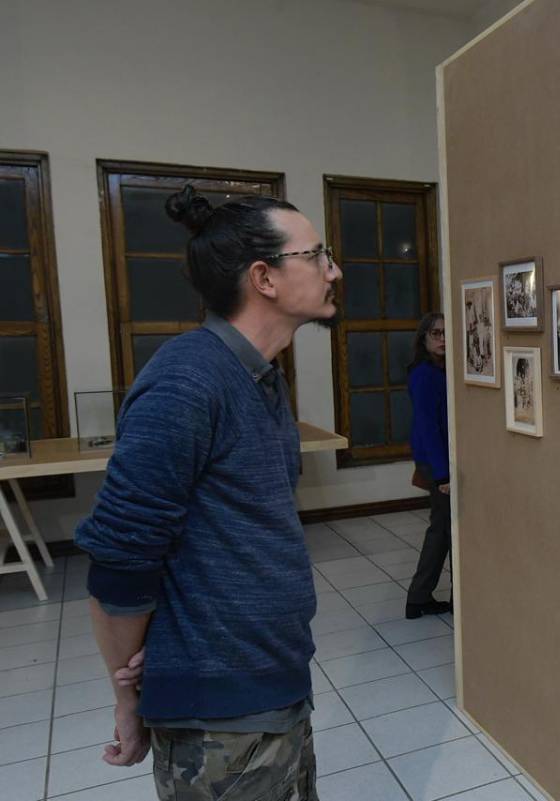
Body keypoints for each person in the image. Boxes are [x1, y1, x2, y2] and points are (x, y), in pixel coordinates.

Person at [74, 185, 342, 800]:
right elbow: (118, 561)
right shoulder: (187, 382)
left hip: (274, 686)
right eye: (317, 255)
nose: (334, 270)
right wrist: (129, 697)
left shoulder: (259, 376)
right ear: (263, 278)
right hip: (222, 714)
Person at [407, 312, 455, 620]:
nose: (442, 339)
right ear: (424, 339)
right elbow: (428, 427)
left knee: (444, 530)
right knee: (442, 531)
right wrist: (442, 474)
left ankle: (423, 596)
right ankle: (418, 597)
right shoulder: (424, 375)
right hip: (435, 462)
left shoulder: (445, 372)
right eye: (435, 334)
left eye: (446, 333)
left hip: (441, 460)